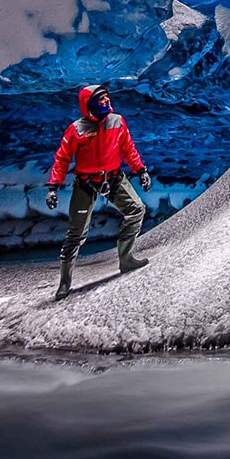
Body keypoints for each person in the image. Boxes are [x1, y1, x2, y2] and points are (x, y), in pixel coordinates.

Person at [44, 85, 153, 300]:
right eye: (101, 98)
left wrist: (141, 171)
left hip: (113, 178)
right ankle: (64, 283)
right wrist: (53, 187)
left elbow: (128, 148)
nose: (106, 101)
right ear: (89, 104)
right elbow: (62, 158)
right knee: (76, 233)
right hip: (87, 182)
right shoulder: (76, 129)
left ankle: (126, 258)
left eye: (106, 97)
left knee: (136, 210)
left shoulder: (117, 121)